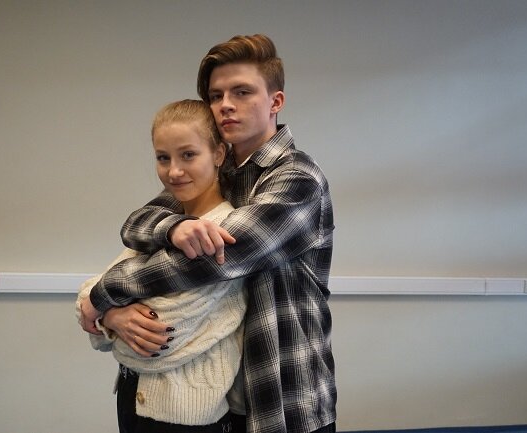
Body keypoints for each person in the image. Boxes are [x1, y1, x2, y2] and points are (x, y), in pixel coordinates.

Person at [80, 34, 336, 433]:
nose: (226, 105)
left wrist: (101, 295)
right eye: (216, 96)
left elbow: (206, 262)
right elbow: (136, 224)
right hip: (223, 400)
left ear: (275, 102)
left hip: (283, 400)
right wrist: (174, 226)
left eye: (242, 92)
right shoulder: (220, 174)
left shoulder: (296, 178)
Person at [76, 99, 247, 433]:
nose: (174, 171)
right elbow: (97, 289)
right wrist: (110, 316)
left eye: (188, 155)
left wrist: (104, 313)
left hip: (186, 413)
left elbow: (158, 338)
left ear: (218, 154)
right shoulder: (165, 223)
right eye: (163, 157)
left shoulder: (224, 229)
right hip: (130, 395)